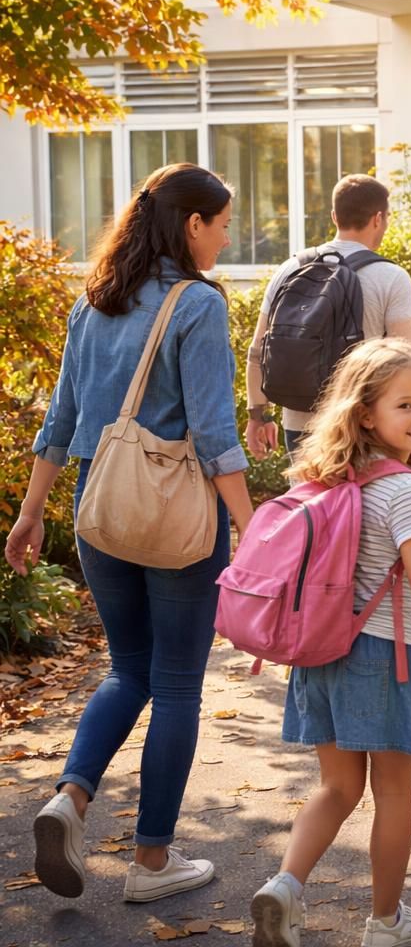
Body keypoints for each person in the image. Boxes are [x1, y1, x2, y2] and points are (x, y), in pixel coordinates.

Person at [9, 163, 255, 902]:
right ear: (192, 226)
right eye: (222, 223)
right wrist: (253, 529)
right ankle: (152, 864)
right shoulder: (198, 305)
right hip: (177, 515)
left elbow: (59, 424)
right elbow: (214, 435)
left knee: (128, 669)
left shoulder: (96, 301)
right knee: (178, 682)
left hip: (100, 508)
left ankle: (71, 799)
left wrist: (28, 513)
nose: (226, 235)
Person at [249, 339, 411, 947]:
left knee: (337, 788)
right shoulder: (403, 490)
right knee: (394, 794)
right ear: (366, 413)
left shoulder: (325, 477)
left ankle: (285, 886)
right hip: (382, 655)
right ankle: (387, 924)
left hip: (319, 653)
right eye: (405, 405)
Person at [245, 175, 411, 459]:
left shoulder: (289, 269)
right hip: (362, 426)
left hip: (299, 425)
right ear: (378, 218)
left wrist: (257, 415)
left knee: (310, 503)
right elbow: (409, 360)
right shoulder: (391, 277)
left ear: (334, 216)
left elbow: (258, 350)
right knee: (361, 504)